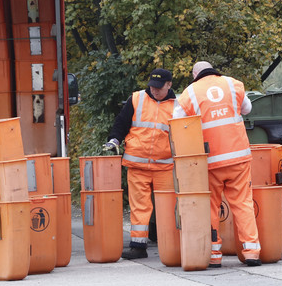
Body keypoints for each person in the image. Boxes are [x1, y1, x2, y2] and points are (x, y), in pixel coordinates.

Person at [173, 61, 261, 267]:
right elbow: (248, 109)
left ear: (195, 74)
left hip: (210, 161)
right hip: (238, 158)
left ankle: (214, 256)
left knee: (212, 208)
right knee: (243, 204)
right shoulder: (232, 84)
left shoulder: (190, 93)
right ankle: (251, 253)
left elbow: (178, 121)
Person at [103, 68, 179, 259]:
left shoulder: (179, 105)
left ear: (169, 85)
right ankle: (138, 246)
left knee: (168, 207)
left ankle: (171, 245)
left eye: (159, 88)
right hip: (138, 165)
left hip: (165, 165)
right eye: (152, 87)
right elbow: (121, 123)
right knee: (140, 207)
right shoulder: (137, 98)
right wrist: (114, 140)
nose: (154, 91)